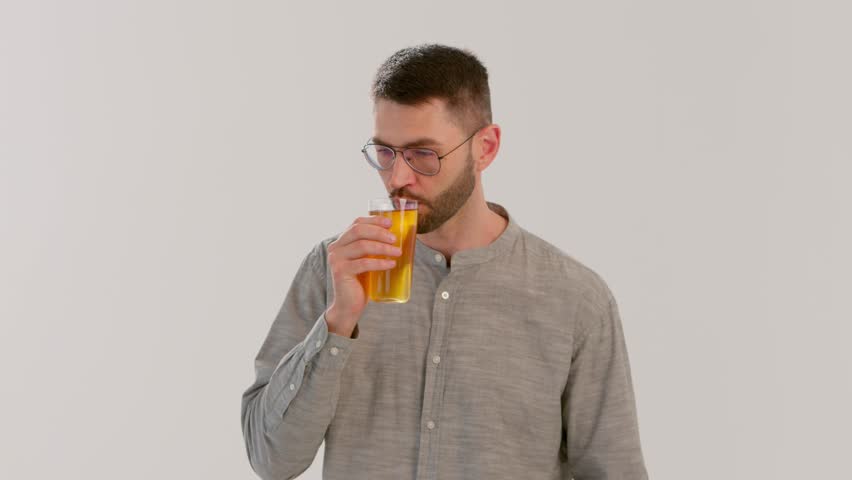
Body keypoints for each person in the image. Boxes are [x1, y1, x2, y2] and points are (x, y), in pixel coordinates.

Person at [241, 44, 648, 480]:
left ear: (485, 148)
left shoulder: (575, 299)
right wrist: (338, 323)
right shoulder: (334, 269)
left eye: (423, 155)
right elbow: (272, 460)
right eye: (385, 152)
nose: (397, 178)